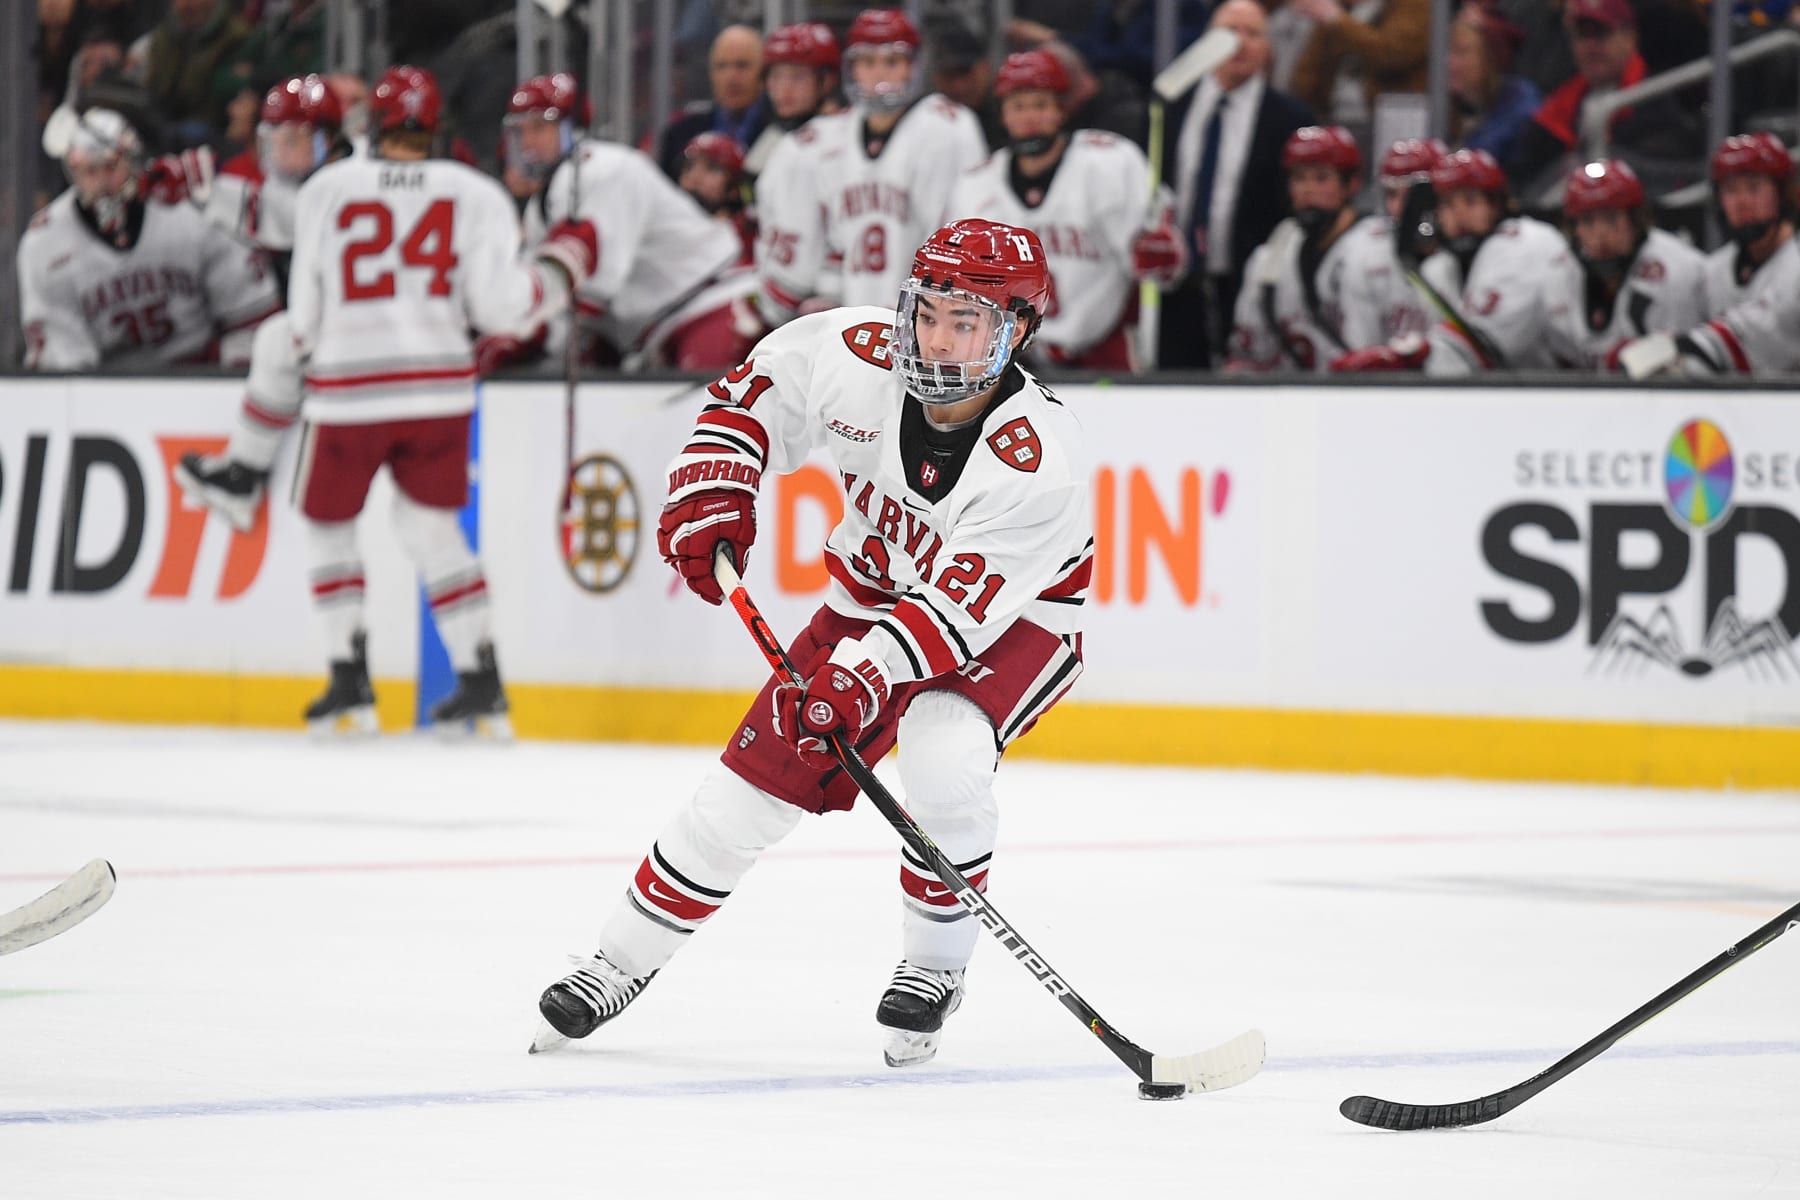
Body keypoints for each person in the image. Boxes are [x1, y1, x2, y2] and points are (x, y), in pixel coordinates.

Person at [533, 218, 1092, 1070]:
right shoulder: (852, 352)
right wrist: (720, 479)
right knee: (747, 794)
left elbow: (949, 619)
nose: (937, 340)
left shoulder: (1037, 459)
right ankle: (617, 960)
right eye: (929, 314)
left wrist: (858, 676)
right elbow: (750, 395)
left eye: (967, 322)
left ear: (1016, 331)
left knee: (941, 753)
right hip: (871, 596)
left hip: (1013, 625)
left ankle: (934, 967)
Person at [284, 65, 599, 735]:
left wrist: (311, 347)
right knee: (433, 533)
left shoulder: (326, 187)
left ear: (369, 121)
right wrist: (562, 267)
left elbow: (302, 305)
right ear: (433, 126)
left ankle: (349, 678)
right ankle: (480, 677)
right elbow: (502, 309)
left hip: (347, 389)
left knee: (328, 527)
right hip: (438, 387)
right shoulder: (476, 192)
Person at [174, 75, 357, 534]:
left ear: (330, 143)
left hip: (381, 331)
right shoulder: (329, 179)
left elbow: (285, 220)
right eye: (274, 140)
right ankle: (243, 473)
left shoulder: (348, 183)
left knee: (280, 337)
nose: (281, 152)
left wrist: (205, 192)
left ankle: (241, 474)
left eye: (295, 140)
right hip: (360, 331)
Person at [947, 48, 1184, 371]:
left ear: (1062, 110)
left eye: (1040, 105)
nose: (1029, 118)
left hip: (1105, 352)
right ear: (1003, 115)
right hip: (1010, 359)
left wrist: (1162, 256)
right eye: (1018, 107)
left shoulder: (1111, 163)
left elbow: (1167, 268)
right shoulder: (975, 186)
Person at [498, 72, 753, 372]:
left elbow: (594, 288)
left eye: (540, 128)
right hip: (656, 328)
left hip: (711, 300)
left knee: (707, 412)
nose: (529, 142)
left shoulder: (605, 170)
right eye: (521, 131)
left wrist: (526, 333)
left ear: (574, 128)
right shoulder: (542, 201)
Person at [19, 107, 282, 371]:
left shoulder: (188, 208)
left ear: (132, 160)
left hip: (197, 376)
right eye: (89, 171)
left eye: (110, 167)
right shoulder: (46, 244)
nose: (101, 183)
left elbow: (250, 320)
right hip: (105, 392)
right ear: (72, 171)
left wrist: (222, 381)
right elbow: (65, 367)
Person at [1162, 0, 1314, 367]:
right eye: (1229, 32)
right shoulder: (1170, 105)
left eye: (1253, 34)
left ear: (1268, 48)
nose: (1240, 43)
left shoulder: (1290, 119)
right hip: (1176, 285)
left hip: (1249, 285)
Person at [1332, 147, 1569, 373]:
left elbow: (1486, 346)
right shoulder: (1440, 267)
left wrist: (1408, 354)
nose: (1459, 214)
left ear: (1496, 204)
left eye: (1470, 201)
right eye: (1447, 204)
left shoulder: (1525, 243)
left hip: (1569, 390)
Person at [1226, 126, 1410, 370]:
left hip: (1369, 397)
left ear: (1352, 184)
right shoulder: (1271, 256)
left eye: (1321, 178)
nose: (1307, 190)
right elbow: (1247, 354)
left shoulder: (1381, 252)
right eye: (1299, 178)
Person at [1544, 158, 1706, 370]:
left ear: (1635, 220)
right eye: (1588, 221)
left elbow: (1691, 355)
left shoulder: (1678, 268)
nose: (1600, 234)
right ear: (1574, 229)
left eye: (1611, 219)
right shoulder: (1558, 274)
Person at [648, 24, 769, 182]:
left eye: (742, 65)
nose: (731, 77)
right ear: (711, 73)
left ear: (764, 71)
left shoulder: (784, 135)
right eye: (721, 66)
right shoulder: (679, 135)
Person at [1701, 132, 1800, 317]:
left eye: (1753, 188)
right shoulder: (1710, 273)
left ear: (1782, 193)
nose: (1742, 202)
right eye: (1731, 190)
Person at [742, 20, 842, 180]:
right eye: (776, 76)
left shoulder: (848, 135)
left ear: (827, 80)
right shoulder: (771, 136)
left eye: (798, 76)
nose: (784, 89)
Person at [1445, 2, 1538, 165]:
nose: (1450, 63)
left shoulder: (1522, 109)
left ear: (1491, 58)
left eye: (1462, 52)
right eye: (1450, 52)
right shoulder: (1467, 108)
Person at [678, 131, 754, 265]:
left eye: (712, 169)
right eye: (689, 167)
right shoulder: (670, 232)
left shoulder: (750, 239)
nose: (695, 178)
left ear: (734, 189)